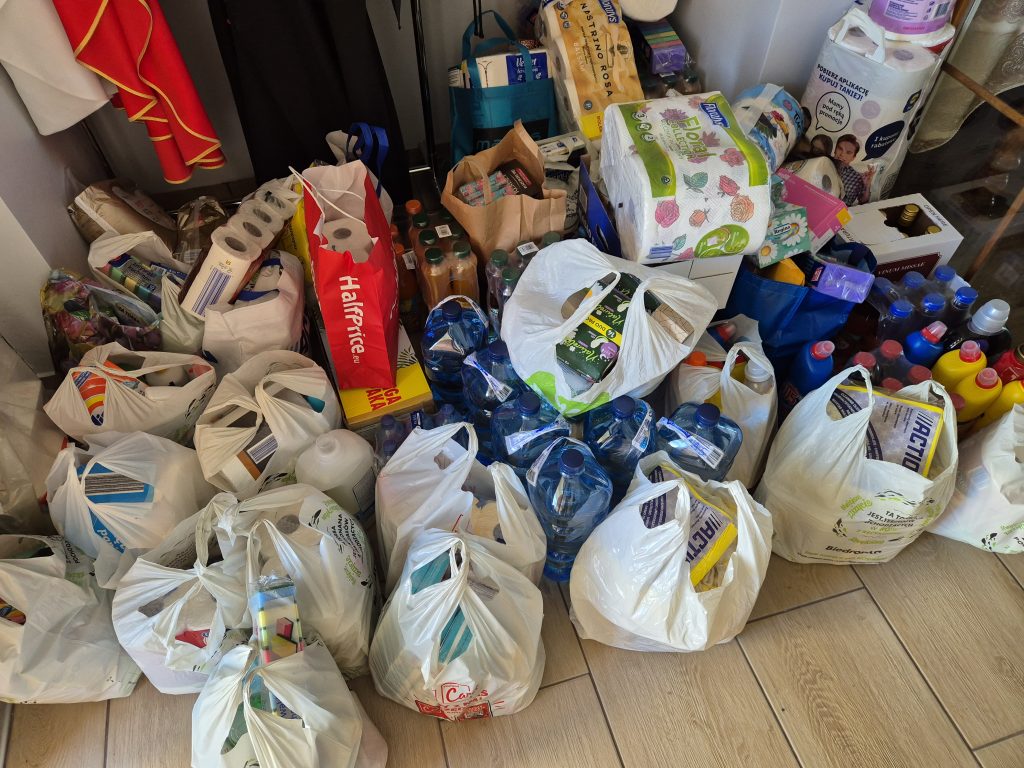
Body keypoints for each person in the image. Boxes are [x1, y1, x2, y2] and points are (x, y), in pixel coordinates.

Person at [832, 134, 875, 206]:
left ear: (853, 157)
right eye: (840, 148)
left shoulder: (857, 177)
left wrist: (867, 185)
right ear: (835, 149)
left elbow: (863, 201)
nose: (842, 154)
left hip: (841, 209)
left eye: (848, 152)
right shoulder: (823, 161)